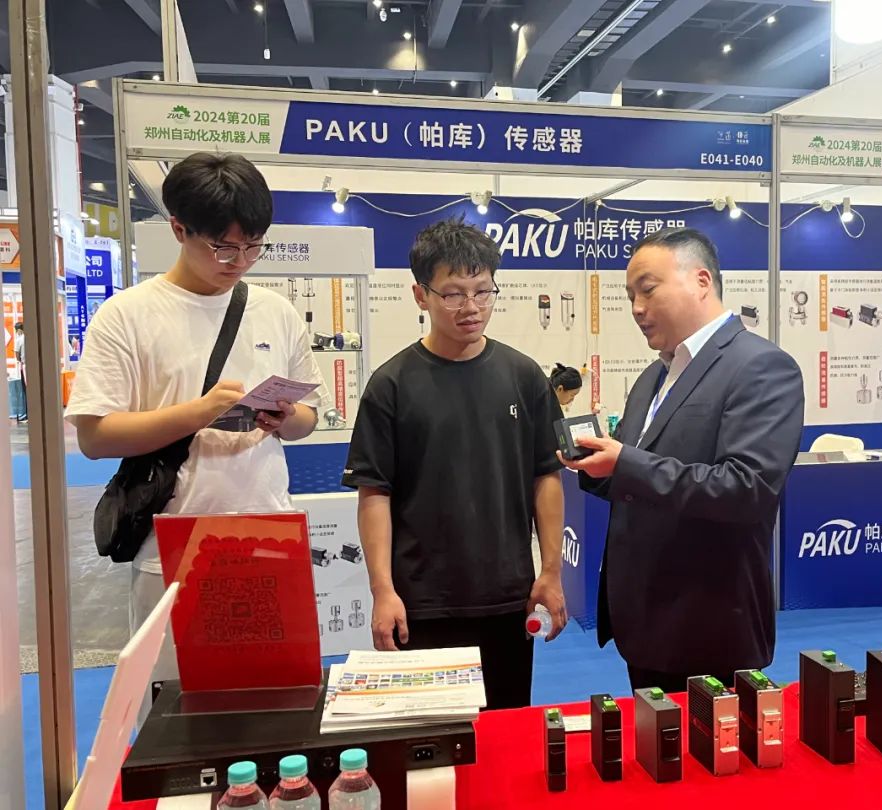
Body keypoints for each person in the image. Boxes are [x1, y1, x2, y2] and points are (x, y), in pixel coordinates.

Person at [65, 152, 330, 718]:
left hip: (268, 535)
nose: (240, 262)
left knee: (278, 710)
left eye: (253, 247)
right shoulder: (128, 315)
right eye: (224, 248)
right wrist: (198, 413)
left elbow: (309, 419)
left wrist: (286, 418)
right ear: (178, 229)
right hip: (172, 545)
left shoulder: (276, 312)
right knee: (175, 716)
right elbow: (95, 435)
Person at [560, 227, 804, 693]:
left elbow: (746, 488)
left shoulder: (760, 367)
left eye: (648, 290)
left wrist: (626, 463)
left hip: (710, 622)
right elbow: (638, 478)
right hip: (645, 622)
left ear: (701, 281)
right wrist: (596, 468)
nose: (636, 308)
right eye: (630, 296)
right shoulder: (653, 377)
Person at [343, 218, 567, 710]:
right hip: (422, 603)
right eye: (453, 294)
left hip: (509, 599)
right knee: (431, 736)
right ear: (420, 296)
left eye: (483, 291)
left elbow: (545, 478)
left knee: (505, 731)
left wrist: (550, 572)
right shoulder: (391, 385)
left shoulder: (524, 377)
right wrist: (383, 590)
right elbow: (374, 493)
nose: (471, 307)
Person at [11, 321, 26, 422]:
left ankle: (26, 414)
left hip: (24, 366)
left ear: (19, 330)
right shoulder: (29, 337)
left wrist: (19, 358)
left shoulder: (19, 339)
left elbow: (17, 356)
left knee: (25, 390)